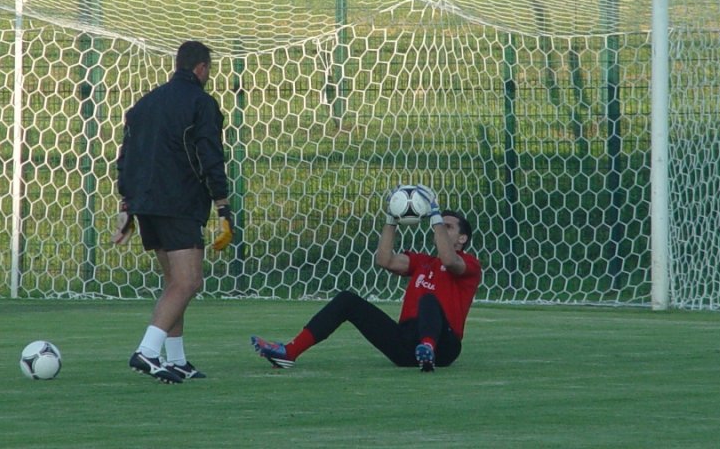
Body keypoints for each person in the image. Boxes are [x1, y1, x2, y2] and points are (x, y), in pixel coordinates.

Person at [251, 186, 481, 372]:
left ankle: (428, 349)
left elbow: (450, 261)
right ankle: (289, 352)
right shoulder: (423, 262)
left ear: (462, 238)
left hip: (444, 346)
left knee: (429, 300)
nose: (439, 227)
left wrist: (435, 216)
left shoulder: (469, 263)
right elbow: (385, 260)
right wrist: (391, 218)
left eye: (447, 226)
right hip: (406, 344)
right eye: (440, 223)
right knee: (347, 301)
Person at [114, 40, 234, 384]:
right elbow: (210, 155)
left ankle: (177, 359)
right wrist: (222, 204)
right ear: (201, 68)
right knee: (189, 281)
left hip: (147, 205)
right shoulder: (201, 103)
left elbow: (125, 158)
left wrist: (127, 205)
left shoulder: (143, 105)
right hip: (178, 203)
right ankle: (147, 352)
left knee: (175, 283)